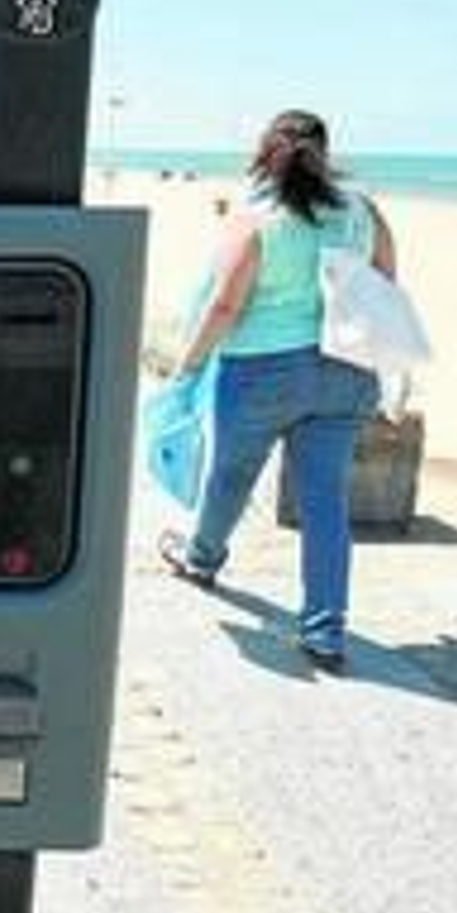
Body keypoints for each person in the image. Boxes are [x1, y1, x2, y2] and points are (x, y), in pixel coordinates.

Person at [158, 109, 396, 672]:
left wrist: (187, 367)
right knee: (325, 500)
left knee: (231, 475)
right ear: (325, 152)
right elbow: (385, 283)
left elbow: (225, 305)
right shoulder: (364, 211)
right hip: (344, 371)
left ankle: (202, 559)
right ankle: (325, 631)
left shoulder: (257, 218)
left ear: (266, 153)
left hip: (262, 373)